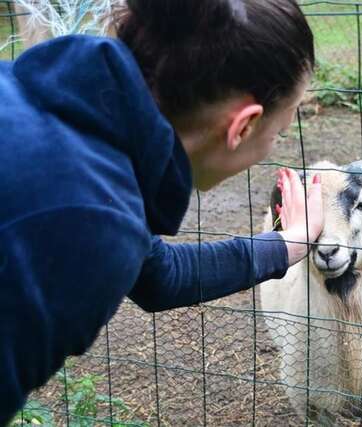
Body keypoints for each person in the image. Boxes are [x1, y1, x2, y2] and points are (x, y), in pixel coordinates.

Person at [0, 0, 324, 423]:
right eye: (279, 132)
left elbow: (157, 276)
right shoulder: (89, 223)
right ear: (242, 126)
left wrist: (287, 245)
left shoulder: (68, 116)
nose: (276, 144)